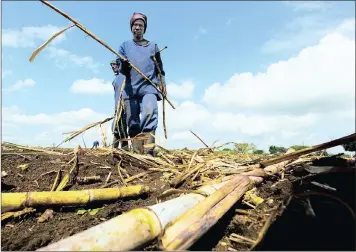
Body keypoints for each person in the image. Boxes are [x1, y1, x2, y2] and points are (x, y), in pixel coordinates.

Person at [117, 12, 167, 156]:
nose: (138, 27)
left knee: (150, 112)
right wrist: (125, 65)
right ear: (131, 28)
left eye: (141, 25)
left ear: (144, 28)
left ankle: (149, 151)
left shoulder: (153, 47)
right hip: (131, 90)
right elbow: (122, 71)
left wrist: (162, 83)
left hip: (148, 88)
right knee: (132, 122)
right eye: (135, 25)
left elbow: (160, 70)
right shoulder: (124, 47)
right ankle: (138, 154)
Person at [110, 60, 129, 150]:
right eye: (111, 65)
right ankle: (114, 149)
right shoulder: (115, 79)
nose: (113, 67)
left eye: (114, 64)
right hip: (117, 107)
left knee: (123, 126)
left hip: (125, 105)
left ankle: (125, 149)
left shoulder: (125, 76)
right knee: (116, 127)